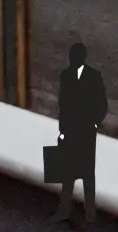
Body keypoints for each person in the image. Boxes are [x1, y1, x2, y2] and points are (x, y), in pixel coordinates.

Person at [53, 42, 107, 224]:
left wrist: (94, 124)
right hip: (70, 130)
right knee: (68, 172)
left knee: (87, 173)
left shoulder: (93, 77)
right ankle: (65, 210)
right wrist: (62, 130)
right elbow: (63, 104)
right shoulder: (66, 76)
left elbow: (101, 104)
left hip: (85, 131)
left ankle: (89, 213)